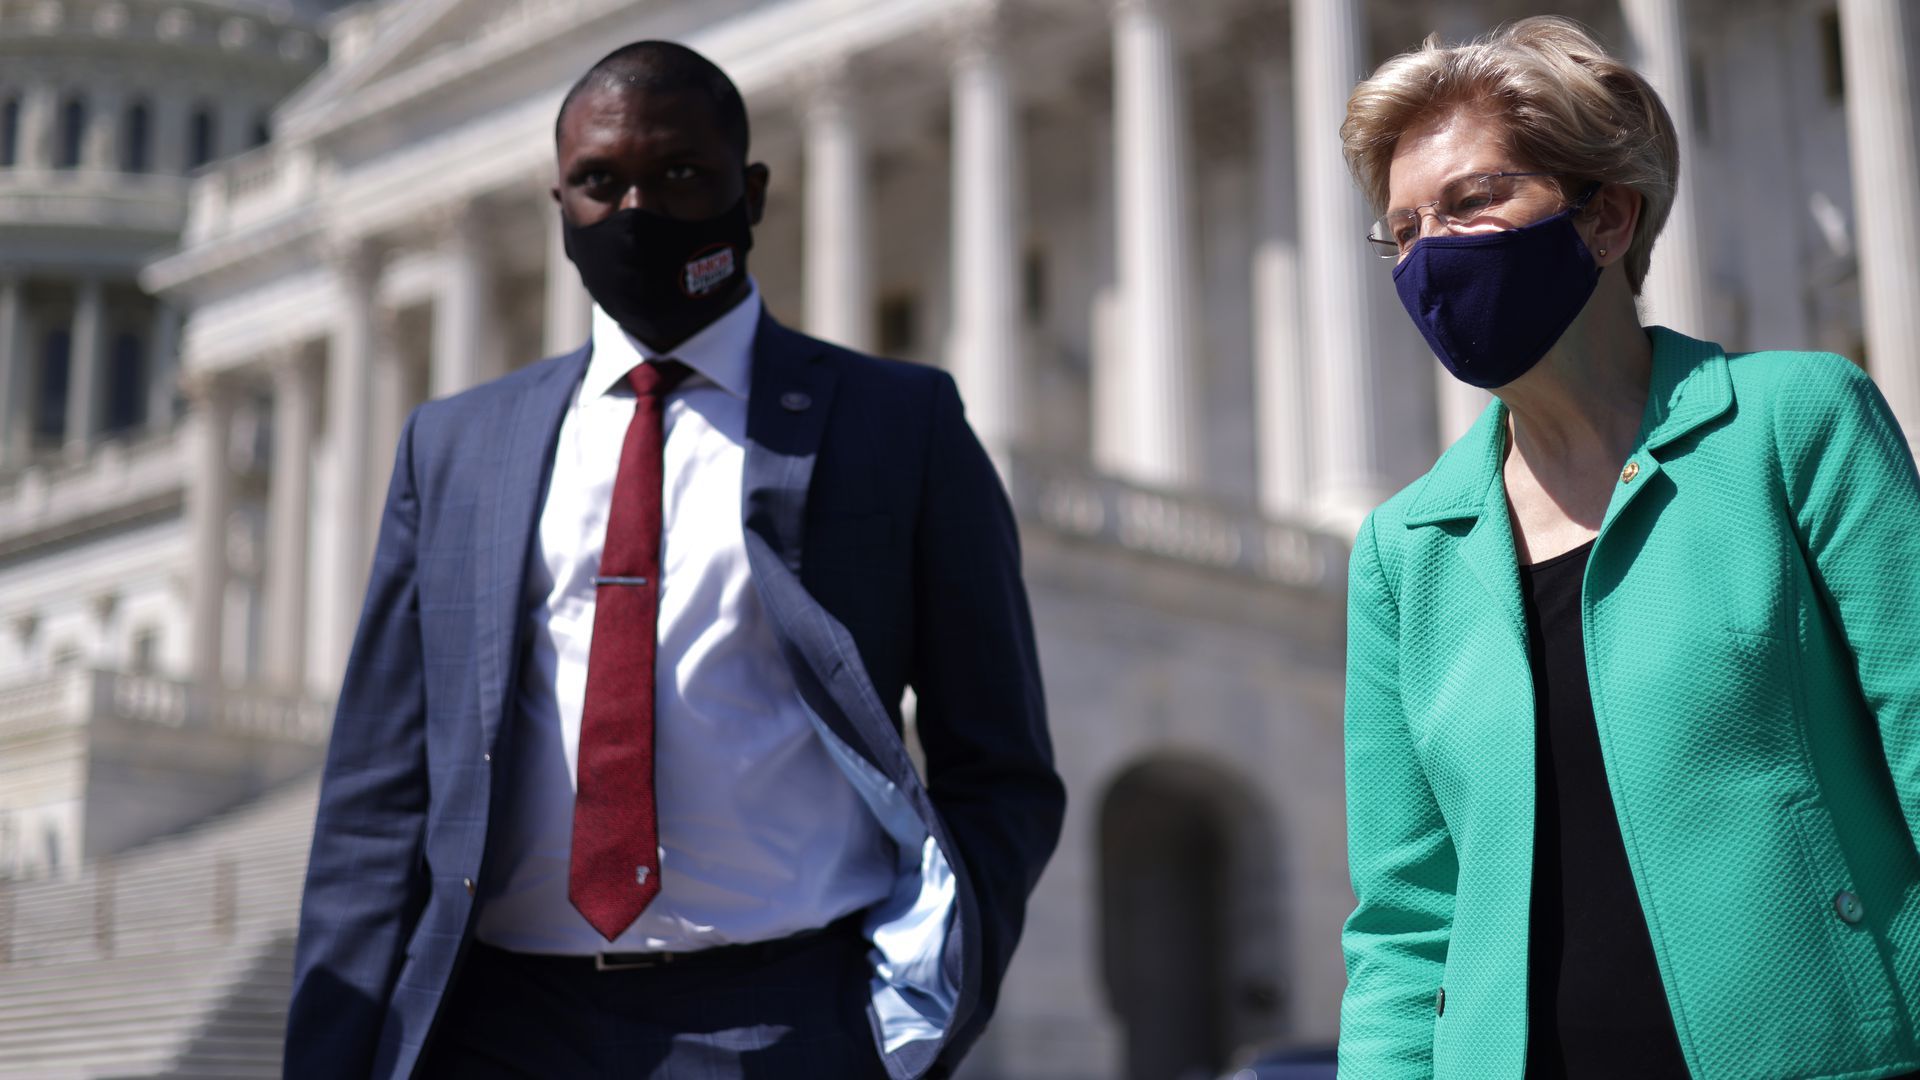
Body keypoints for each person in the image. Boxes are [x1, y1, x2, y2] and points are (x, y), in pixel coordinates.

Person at [283, 40, 1064, 1080]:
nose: (638, 210)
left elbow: (999, 765)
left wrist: (907, 1022)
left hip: (777, 1019)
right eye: (601, 183)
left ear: (751, 194)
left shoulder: (897, 424)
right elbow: (377, 802)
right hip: (498, 1024)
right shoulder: (459, 445)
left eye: (680, 176)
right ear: (559, 206)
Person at [1335, 17, 1920, 1080]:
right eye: (1405, 230)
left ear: (1607, 218)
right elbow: (1406, 924)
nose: (1433, 256)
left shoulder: (1797, 424)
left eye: (1473, 202)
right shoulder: (1400, 550)